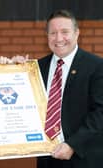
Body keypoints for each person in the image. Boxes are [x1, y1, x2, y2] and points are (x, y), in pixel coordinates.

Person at [36, 9, 103, 168]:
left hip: (84, 158)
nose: (59, 38)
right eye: (53, 33)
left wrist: (72, 144)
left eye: (65, 32)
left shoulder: (96, 66)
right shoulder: (37, 68)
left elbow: (100, 112)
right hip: (47, 159)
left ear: (77, 33)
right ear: (47, 36)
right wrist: (11, 68)